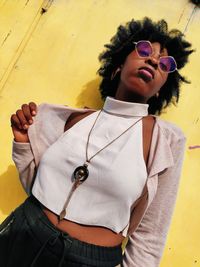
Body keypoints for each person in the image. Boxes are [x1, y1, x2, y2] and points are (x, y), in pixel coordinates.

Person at [0, 17, 193, 267]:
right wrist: (24, 144)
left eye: (166, 63)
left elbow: (150, 237)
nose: (154, 60)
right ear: (118, 64)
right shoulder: (72, 120)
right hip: (19, 236)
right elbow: (39, 188)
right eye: (144, 50)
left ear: (160, 89)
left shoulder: (165, 141)